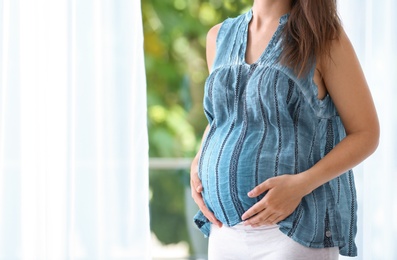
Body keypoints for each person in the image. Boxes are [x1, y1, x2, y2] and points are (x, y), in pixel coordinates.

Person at [190, 0, 379, 259]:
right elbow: (223, 117)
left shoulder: (323, 38)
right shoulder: (218, 36)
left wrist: (301, 184)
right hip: (224, 230)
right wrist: (199, 161)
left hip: (293, 233)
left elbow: (366, 133)